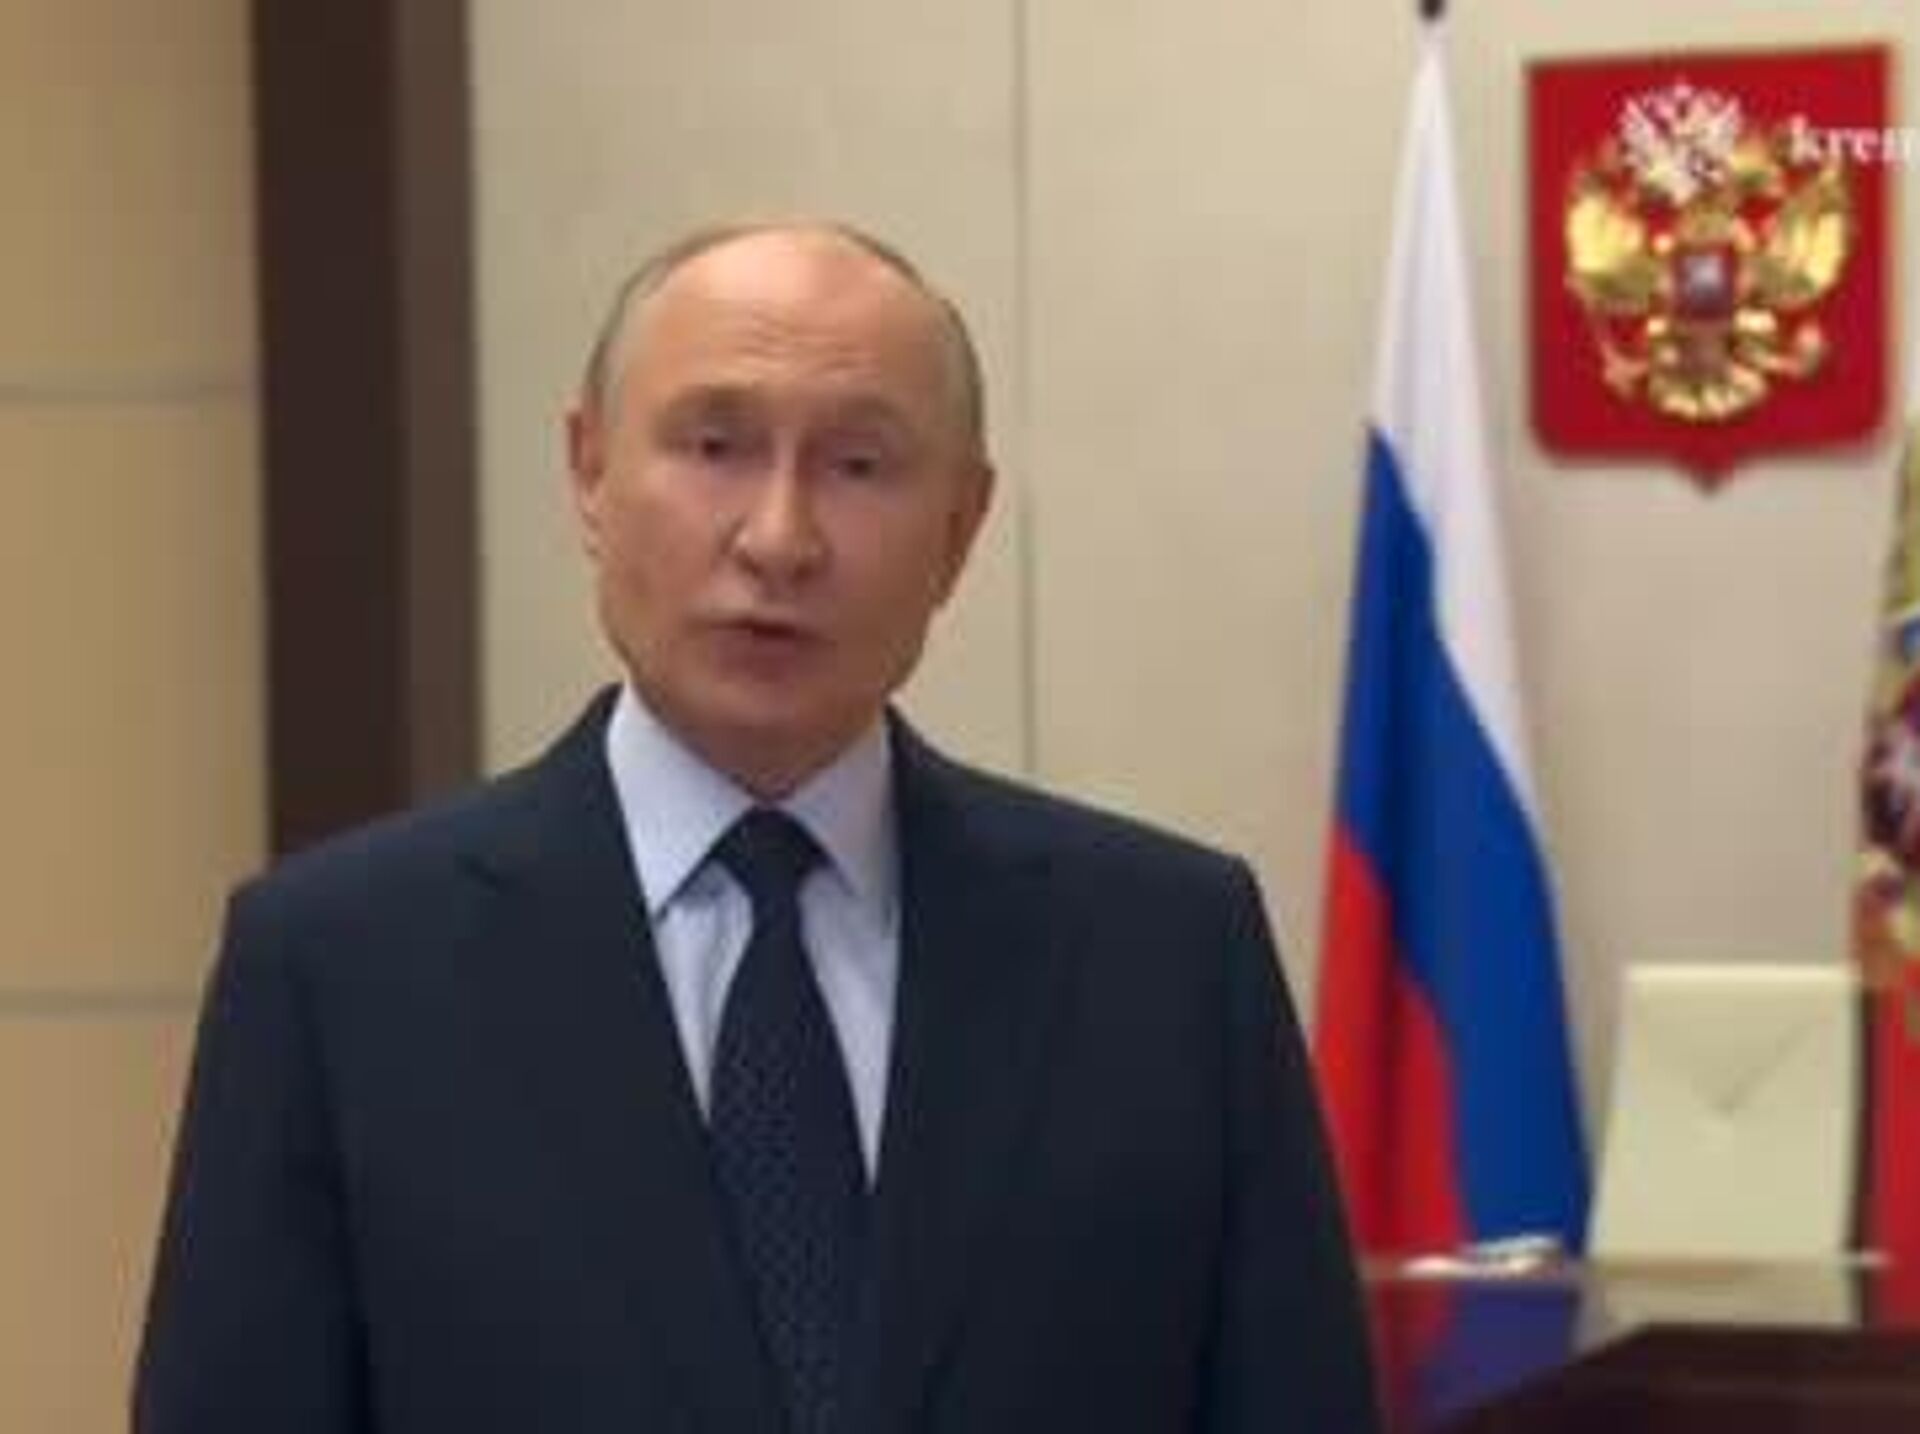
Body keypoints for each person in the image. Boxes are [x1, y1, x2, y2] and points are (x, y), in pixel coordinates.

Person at [134, 220, 1380, 1434]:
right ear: (588, 472)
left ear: (960, 528)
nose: (779, 538)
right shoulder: (343, 969)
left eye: (859, 466)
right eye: (715, 445)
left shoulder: (1165, 959)